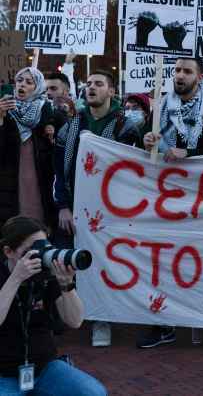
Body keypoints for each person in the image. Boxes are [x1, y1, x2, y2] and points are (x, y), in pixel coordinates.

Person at [141, 57, 203, 351]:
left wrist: (190, 153)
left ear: (200, 76)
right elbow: (142, 149)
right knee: (165, 263)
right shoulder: (160, 110)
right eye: (177, 70)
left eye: (186, 71)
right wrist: (146, 139)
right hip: (167, 201)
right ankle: (163, 324)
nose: (179, 76)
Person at [52, 70, 140, 348]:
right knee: (67, 261)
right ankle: (64, 317)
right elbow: (58, 169)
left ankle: (101, 319)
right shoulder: (72, 125)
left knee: (104, 262)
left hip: (109, 209)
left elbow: (131, 172)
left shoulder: (126, 127)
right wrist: (63, 205)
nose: (91, 88)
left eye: (98, 84)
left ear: (111, 92)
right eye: (88, 84)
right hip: (76, 205)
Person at [0, 216, 106, 395]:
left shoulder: (45, 276)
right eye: (32, 249)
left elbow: (75, 321)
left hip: (44, 367)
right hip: (4, 373)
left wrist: (66, 284)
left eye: (44, 246)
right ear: (9, 252)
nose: (40, 253)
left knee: (94, 393)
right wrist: (16, 278)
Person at [0, 68, 56, 230]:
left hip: (39, 172)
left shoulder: (44, 107)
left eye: (29, 82)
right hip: (10, 175)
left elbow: (56, 125)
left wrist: (52, 126)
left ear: (37, 87)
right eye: (19, 80)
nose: (22, 85)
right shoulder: (5, 106)